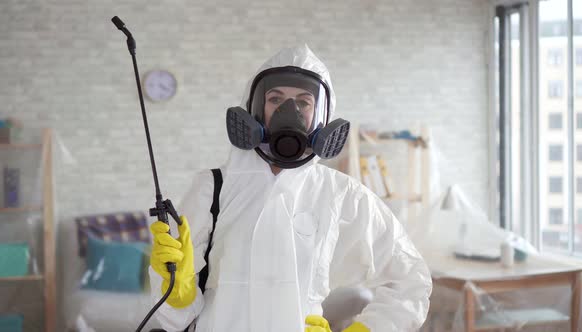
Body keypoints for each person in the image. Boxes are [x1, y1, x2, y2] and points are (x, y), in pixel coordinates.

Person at [148, 45, 432, 332]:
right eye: (276, 98)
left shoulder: (339, 193)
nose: (289, 110)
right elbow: (177, 320)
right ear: (255, 108)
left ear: (321, 114)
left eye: (304, 102)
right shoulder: (212, 188)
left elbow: (410, 281)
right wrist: (177, 289)